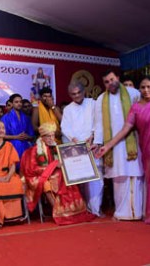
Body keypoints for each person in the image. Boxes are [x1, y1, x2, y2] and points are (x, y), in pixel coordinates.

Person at [97, 76, 150, 226]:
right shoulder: (136, 108)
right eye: (142, 87)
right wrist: (108, 145)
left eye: (149, 86)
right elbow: (125, 129)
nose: (146, 90)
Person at [21, 123, 95, 225]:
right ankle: (59, 212)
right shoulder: (35, 150)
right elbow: (33, 169)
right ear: (42, 137)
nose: (52, 138)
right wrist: (53, 166)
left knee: (68, 177)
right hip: (39, 176)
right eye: (48, 136)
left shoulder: (57, 147)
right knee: (48, 184)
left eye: (53, 135)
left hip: (57, 175)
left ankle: (73, 211)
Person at [94, 70, 143, 221]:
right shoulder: (101, 99)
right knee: (118, 178)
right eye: (106, 82)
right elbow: (99, 125)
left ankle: (137, 212)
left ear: (118, 78)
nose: (110, 83)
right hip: (112, 146)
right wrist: (97, 142)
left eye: (112, 79)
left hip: (132, 142)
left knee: (134, 174)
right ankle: (122, 212)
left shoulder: (133, 93)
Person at [61, 81, 104, 216]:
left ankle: (95, 209)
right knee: (81, 180)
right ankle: (85, 209)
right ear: (70, 95)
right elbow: (65, 127)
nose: (77, 96)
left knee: (97, 179)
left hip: (92, 145)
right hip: (77, 147)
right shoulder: (68, 109)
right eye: (73, 94)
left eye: (79, 92)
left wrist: (93, 137)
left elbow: (99, 122)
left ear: (84, 91)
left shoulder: (93, 103)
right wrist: (74, 140)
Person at [1, 94, 34, 169]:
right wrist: (16, 137)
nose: (19, 104)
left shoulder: (26, 117)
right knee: (14, 169)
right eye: (16, 102)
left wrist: (27, 136)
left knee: (26, 168)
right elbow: (1, 135)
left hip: (25, 146)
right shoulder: (5, 118)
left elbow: (32, 135)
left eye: (20, 102)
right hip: (12, 146)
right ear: (12, 103)